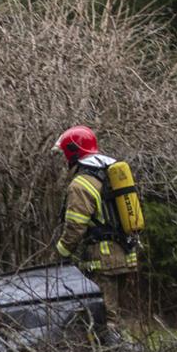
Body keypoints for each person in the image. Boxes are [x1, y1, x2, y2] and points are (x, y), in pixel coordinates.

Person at [53, 125, 141, 326]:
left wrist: (60, 253)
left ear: (72, 153)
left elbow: (75, 227)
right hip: (126, 255)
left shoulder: (81, 184)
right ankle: (123, 344)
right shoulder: (111, 172)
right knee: (117, 315)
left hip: (103, 261)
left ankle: (113, 346)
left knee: (105, 319)